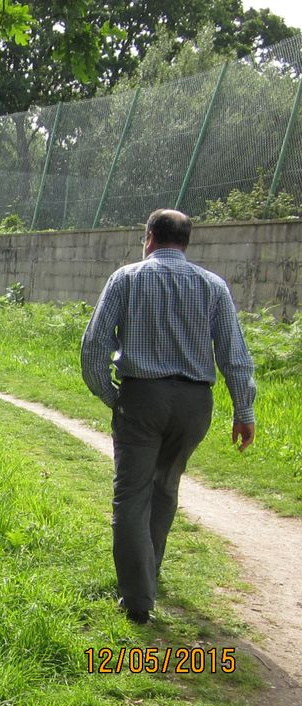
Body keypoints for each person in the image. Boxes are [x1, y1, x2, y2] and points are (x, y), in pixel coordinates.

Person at [80, 209, 256, 625]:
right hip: (195, 405)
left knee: (131, 495)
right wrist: (243, 411)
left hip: (143, 396)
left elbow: (93, 348)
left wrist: (113, 396)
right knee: (164, 489)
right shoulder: (214, 286)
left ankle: (138, 600)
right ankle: (148, 577)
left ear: (149, 238)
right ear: (186, 241)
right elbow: (234, 356)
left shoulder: (126, 278)